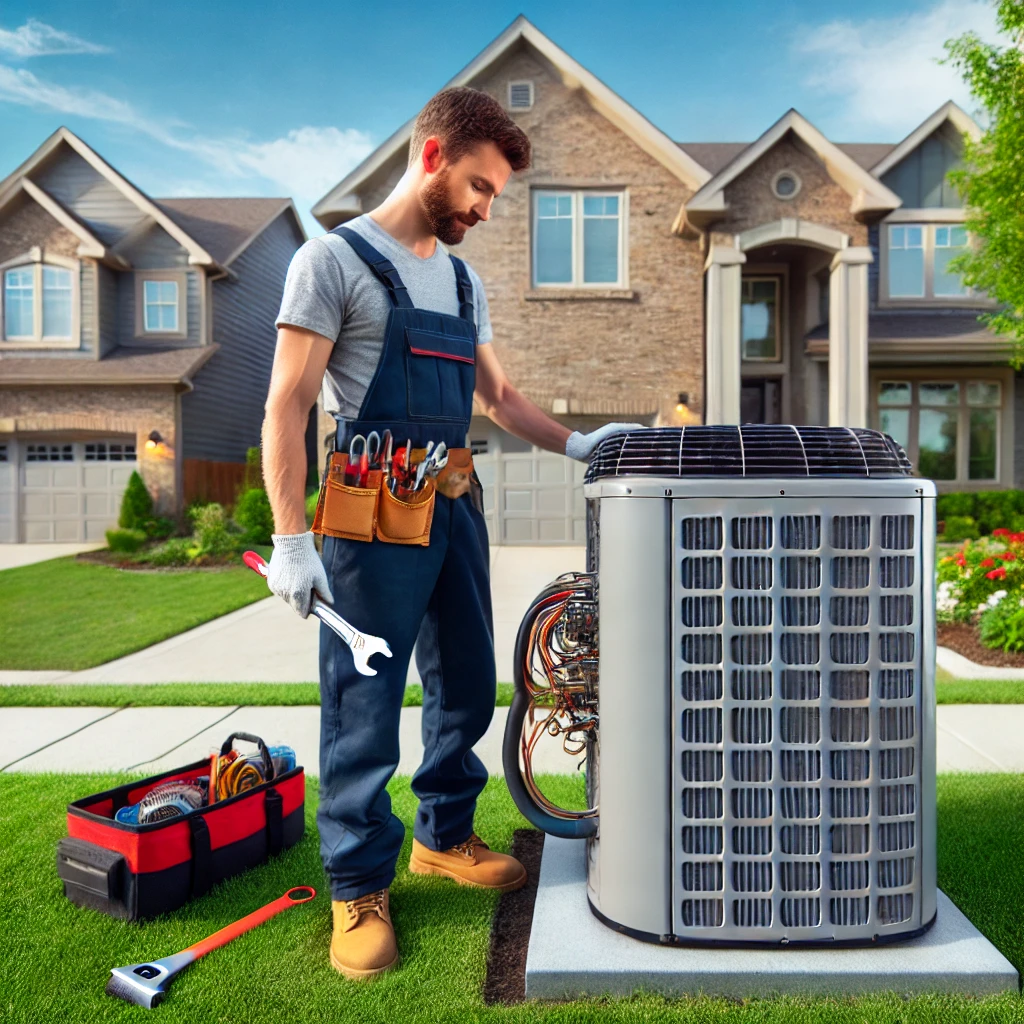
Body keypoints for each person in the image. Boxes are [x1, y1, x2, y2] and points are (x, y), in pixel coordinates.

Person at [262, 85, 642, 980]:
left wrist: (582, 443)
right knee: (365, 704)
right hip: (371, 515)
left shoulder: (465, 280)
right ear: (432, 156)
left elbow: (499, 399)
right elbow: (288, 402)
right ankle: (359, 884)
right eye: (478, 186)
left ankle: (442, 835)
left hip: (456, 506)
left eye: (495, 195)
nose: (483, 207)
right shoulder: (332, 262)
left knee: (467, 681)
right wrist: (290, 538)